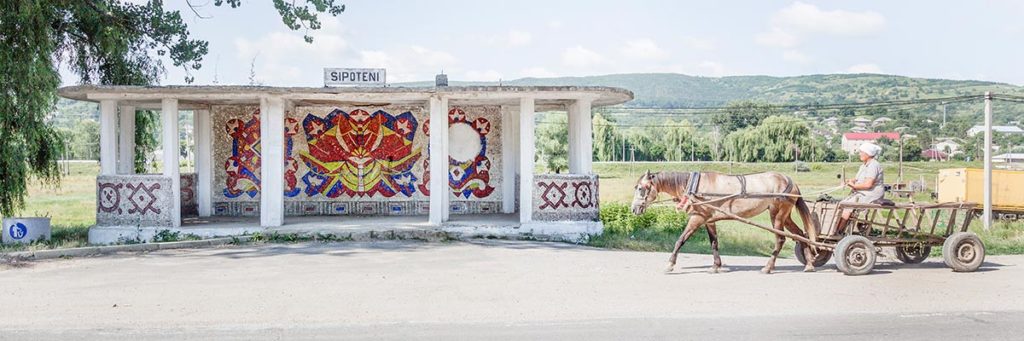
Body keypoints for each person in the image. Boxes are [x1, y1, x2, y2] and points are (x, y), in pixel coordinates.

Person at [836, 142, 885, 232]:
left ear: (868, 154)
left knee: (846, 207)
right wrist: (849, 181)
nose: (859, 154)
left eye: (861, 152)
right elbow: (858, 179)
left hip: (871, 194)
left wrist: (854, 186)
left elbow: (868, 184)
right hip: (863, 192)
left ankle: (838, 231)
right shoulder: (864, 165)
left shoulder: (874, 165)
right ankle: (839, 229)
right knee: (841, 204)